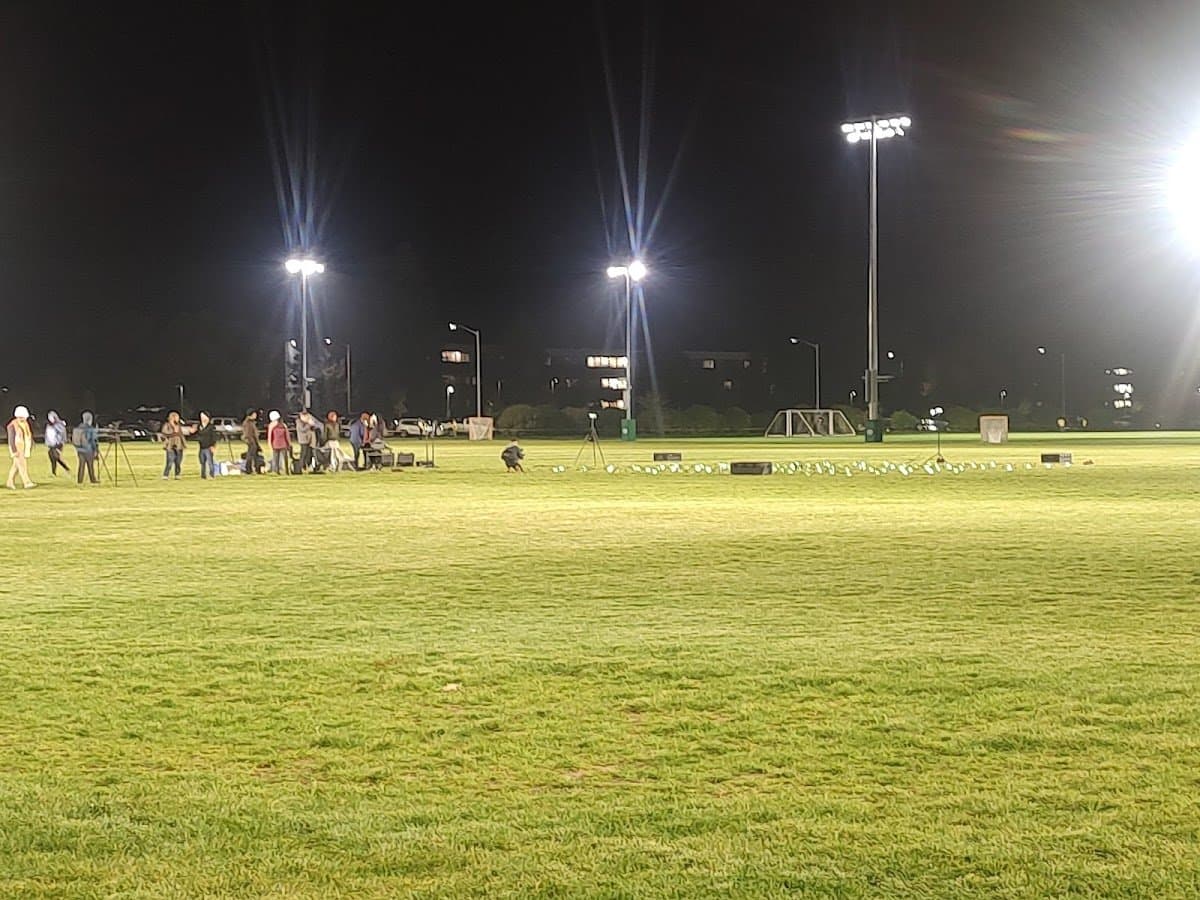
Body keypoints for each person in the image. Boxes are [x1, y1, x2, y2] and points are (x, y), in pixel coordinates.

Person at [6, 405, 36, 489]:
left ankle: (10, 481)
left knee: (16, 466)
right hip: (16, 448)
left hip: (23, 448)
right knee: (22, 466)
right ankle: (26, 482)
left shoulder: (25, 424)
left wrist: (30, 445)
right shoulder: (12, 425)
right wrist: (14, 451)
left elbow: (27, 435)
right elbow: (11, 439)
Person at [72, 411, 100, 484]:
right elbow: (93, 440)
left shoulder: (79, 427)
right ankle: (93, 479)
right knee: (90, 465)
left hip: (80, 449)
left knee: (81, 465)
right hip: (88, 450)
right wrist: (96, 450)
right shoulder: (90, 428)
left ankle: (80, 480)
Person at [160, 411, 189, 479]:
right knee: (170, 460)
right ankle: (165, 475)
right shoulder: (167, 425)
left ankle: (177, 474)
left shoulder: (179, 425)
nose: (177, 419)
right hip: (170, 445)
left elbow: (181, 434)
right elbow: (164, 434)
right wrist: (173, 432)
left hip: (179, 445)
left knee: (178, 461)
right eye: (176, 417)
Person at [44, 411, 70, 476]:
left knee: (55, 457)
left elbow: (62, 434)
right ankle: (55, 471)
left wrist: (62, 442)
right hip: (51, 444)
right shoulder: (49, 425)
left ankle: (63, 469)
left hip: (58, 444)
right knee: (53, 457)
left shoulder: (59, 425)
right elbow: (48, 435)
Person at [267, 410, 292, 475]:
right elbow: (287, 436)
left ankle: (277, 471)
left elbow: (270, 437)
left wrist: (270, 444)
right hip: (283, 444)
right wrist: (289, 444)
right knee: (285, 458)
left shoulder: (271, 426)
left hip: (275, 444)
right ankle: (287, 471)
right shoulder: (283, 425)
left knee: (276, 458)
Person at [195, 411, 218, 479]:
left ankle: (211, 475)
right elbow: (196, 435)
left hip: (208, 447)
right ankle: (203, 475)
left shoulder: (211, 427)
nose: (202, 418)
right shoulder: (199, 426)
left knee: (210, 462)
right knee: (202, 462)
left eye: (204, 417)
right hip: (201, 447)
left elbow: (214, 437)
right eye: (201, 417)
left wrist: (213, 446)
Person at [241, 409, 262, 474]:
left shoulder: (251, 422)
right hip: (251, 441)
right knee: (250, 456)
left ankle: (257, 468)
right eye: (254, 414)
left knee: (254, 455)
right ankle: (248, 469)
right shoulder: (247, 423)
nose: (255, 415)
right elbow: (248, 434)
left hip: (253, 441)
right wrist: (251, 441)